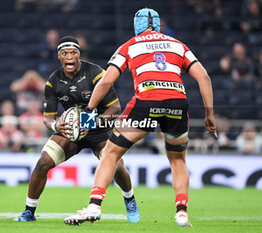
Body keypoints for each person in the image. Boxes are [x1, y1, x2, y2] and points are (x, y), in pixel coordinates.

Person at [64, 8, 217, 227]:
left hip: (147, 102)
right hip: (177, 104)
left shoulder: (130, 45)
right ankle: (182, 212)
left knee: (111, 152)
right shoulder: (178, 45)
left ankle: (94, 205)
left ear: (137, 25)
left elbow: (107, 81)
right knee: (178, 160)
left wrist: (89, 108)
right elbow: (203, 75)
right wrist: (209, 113)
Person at [14, 36, 140, 222]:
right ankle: (29, 212)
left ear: (79, 55)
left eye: (73, 53)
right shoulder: (53, 81)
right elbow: (48, 119)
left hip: (99, 131)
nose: (69, 57)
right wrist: (56, 125)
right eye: (65, 53)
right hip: (71, 132)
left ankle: (129, 199)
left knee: (118, 166)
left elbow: (115, 109)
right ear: (59, 57)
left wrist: (88, 122)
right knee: (42, 163)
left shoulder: (96, 74)